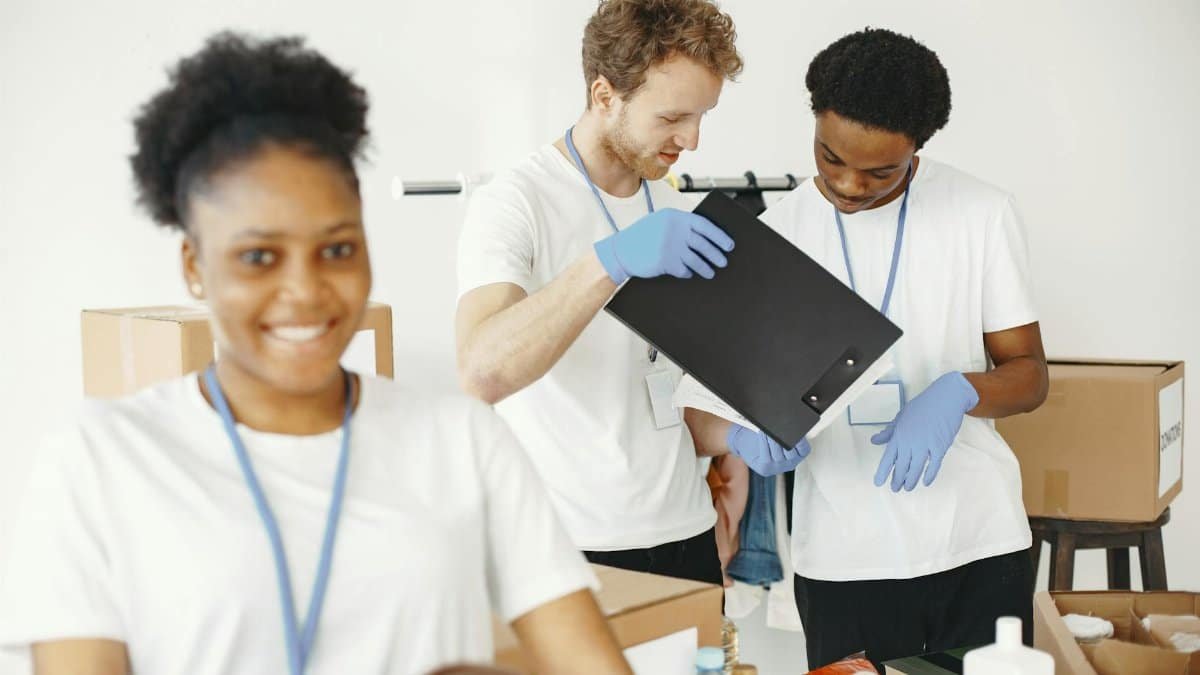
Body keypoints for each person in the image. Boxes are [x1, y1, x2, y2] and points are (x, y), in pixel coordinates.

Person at [0, 32, 631, 675]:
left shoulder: (460, 442)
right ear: (194, 266)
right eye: (258, 257)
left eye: (336, 249)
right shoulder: (103, 460)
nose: (305, 290)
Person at [454, 0, 808, 586]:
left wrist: (737, 437)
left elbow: (665, 401)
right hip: (565, 546)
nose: (691, 140)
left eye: (701, 117)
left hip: (686, 536)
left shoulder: (672, 209)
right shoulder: (515, 203)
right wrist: (609, 261)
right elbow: (481, 372)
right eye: (672, 117)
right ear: (604, 95)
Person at [761, 27, 1047, 669]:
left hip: (977, 542)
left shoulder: (981, 214)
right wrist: (759, 431)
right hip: (842, 555)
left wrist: (962, 390)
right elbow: (753, 387)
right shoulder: (777, 234)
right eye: (830, 157)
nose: (849, 184)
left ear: (918, 148)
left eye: (880, 171)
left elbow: (1030, 375)